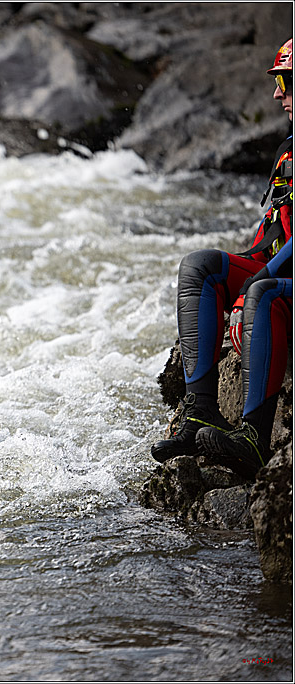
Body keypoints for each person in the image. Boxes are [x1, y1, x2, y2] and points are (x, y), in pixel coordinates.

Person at [151, 38, 293, 479]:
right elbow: (275, 232)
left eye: (286, 82)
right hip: (282, 270)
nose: (278, 95)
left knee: (262, 293)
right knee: (201, 267)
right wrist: (249, 269)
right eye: (279, 83)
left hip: (281, 282)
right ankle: (201, 413)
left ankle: (253, 438)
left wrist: (255, 281)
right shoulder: (288, 150)